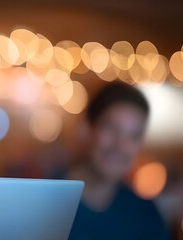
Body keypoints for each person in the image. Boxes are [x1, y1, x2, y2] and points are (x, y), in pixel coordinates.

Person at [67, 82, 169, 240]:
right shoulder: (43, 199)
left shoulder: (146, 215)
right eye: (111, 128)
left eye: (133, 136)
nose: (120, 146)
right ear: (87, 129)